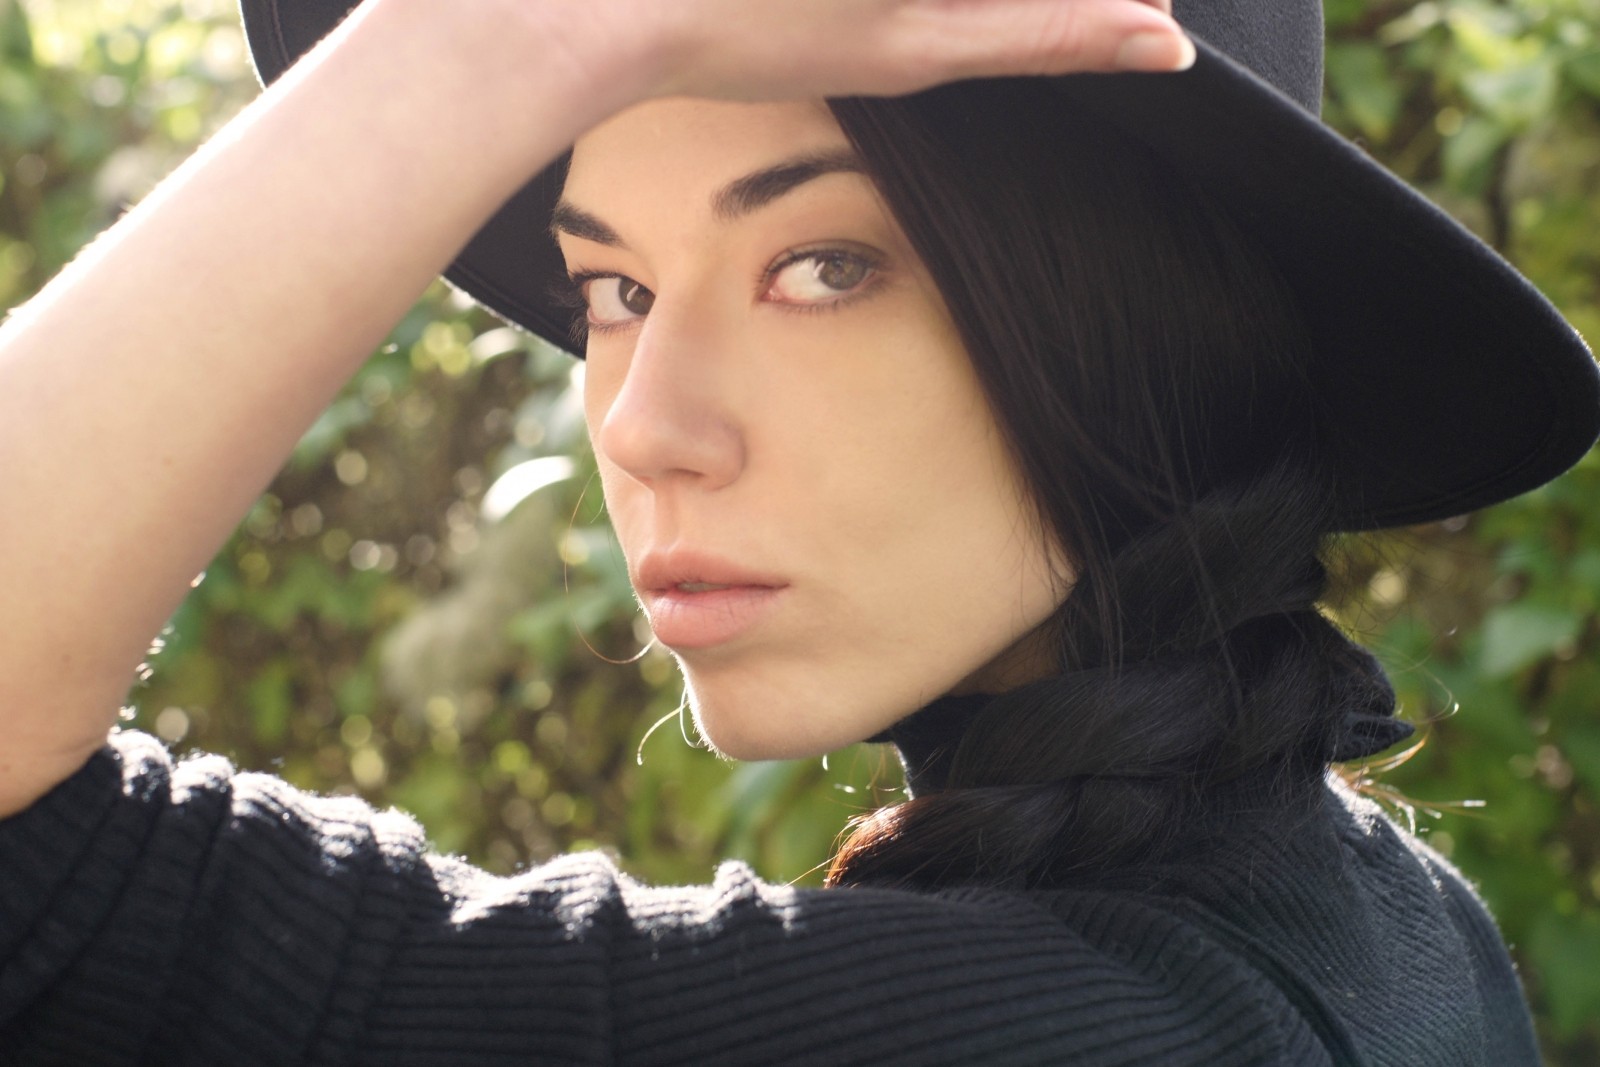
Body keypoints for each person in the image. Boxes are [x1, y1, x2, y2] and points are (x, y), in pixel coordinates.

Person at [0, 0, 1594, 1063]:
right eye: (612, 290)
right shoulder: (1369, 899)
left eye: (821, 267)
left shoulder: (1071, 1023)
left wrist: (496, 39)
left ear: (1144, 327)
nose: (636, 425)